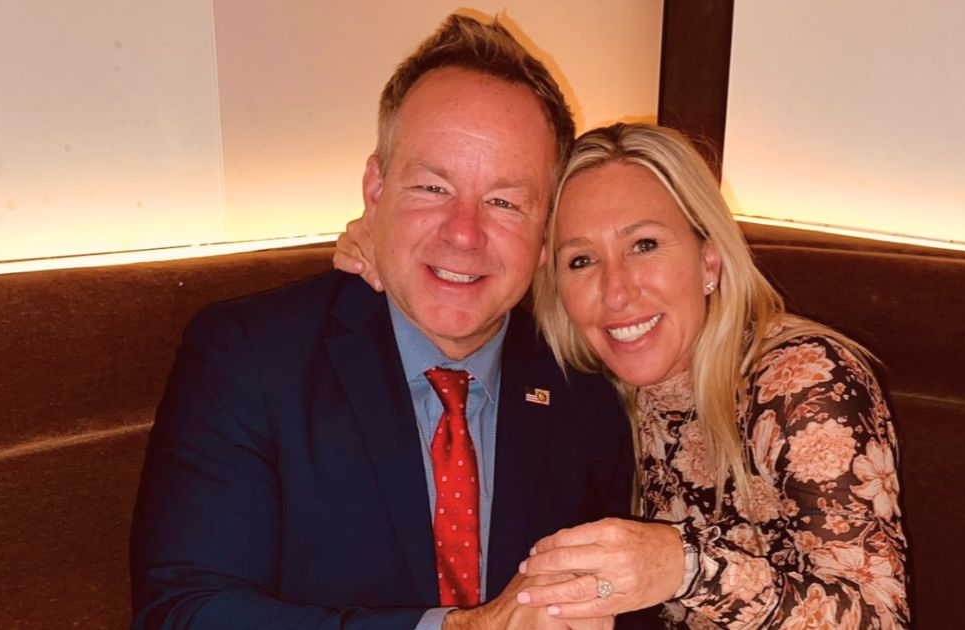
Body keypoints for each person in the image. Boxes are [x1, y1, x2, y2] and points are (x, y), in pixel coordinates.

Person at [131, 15, 657, 630]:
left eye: (505, 202)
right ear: (376, 191)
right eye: (433, 187)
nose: (464, 233)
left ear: (546, 233)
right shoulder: (249, 358)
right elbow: (185, 613)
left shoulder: (586, 388)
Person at [337, 123, 910, 628]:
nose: (616, 292)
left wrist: (684, 566)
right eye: (580, 260)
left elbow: (878, 617)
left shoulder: (804, 383)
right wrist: (389, 247)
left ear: (708, 258)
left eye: (644, 245)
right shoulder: (595, 380)